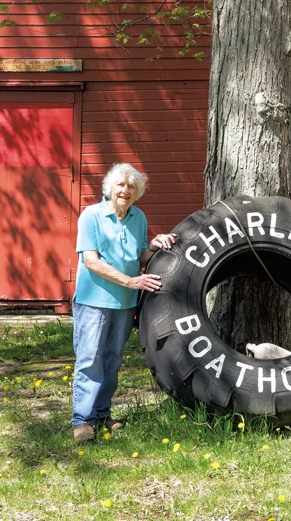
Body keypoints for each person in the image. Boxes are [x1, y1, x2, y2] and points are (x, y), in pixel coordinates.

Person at [71, 162, 176, 442]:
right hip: (93, 301)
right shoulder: (91, 215)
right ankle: (82, 420)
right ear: (110, 188)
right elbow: (91, 261)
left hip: (124, 302)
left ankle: (102, 414)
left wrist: (154, 245)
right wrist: (131, 281)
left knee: (113, 360)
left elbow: (139, 256)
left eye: (131, 186)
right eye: (120, 185)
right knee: (90, 360)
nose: (125, 191)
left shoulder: (138, 217)